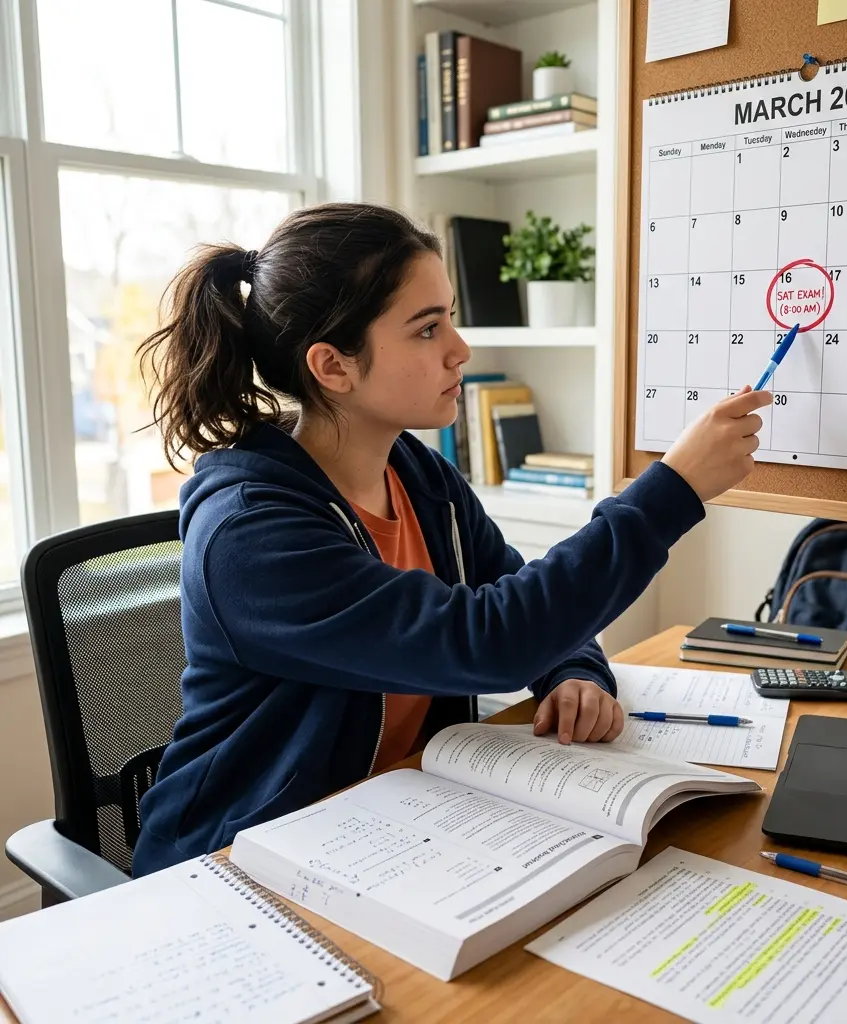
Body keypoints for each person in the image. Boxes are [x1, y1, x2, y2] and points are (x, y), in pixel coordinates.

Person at [132, 202, 770, 876]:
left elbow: (518, 593)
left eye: (451, 318)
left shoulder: (417, 472)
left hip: (387, 826)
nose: (460, 350)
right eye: (428, 328)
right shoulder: (248, 535)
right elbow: (490, 638)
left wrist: (573, 670)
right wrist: (671, 491)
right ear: (333, 366)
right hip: (237, 861)